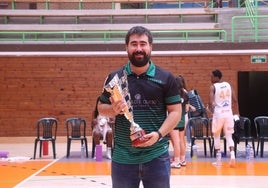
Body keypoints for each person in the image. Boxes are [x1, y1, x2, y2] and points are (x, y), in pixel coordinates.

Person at [97, 26, 182, 188]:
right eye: (134, 44)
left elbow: (175, 112)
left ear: (150, 46)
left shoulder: (166, 78)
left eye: (143, 44)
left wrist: (158, 134)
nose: (138, 48)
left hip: (156, 157)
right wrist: (112, 110)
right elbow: (101, 107)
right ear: (126, 47)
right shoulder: (114, 78)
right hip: (123, 159)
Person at [208, 69, 239, 167]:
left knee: (216, 136)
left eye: (212, 76)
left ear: (217, 77)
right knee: (229, 136)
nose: (210, 78)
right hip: (228, 113)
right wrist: (238, 113)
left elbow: (211, 102)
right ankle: (232, 156)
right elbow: (235, 100)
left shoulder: (213, 87)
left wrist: (210, 110)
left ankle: (218, 160)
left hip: (219, 114)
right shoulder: (228, 85)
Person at [170, 75, 191, 168]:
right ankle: (182, 160)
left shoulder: (173, 93)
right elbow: (186, 109)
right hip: (182, 120)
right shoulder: (185, 93)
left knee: (176, 141)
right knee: (181, 140)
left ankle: (177, 161)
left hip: (174, 120)